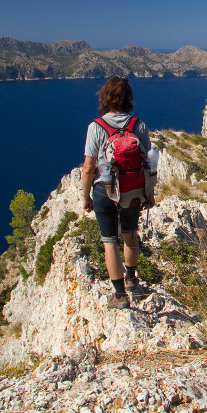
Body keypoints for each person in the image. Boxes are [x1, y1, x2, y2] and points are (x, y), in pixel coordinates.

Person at [82, 76, 155, 309]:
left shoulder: (96, 126)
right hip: (132, 190)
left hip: (104, 191)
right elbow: (150, 164)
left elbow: (88, 168)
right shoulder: (138, 124)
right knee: (130, 234)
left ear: (105, 97)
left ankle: (120, 296)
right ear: (128, 98)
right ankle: (133, 280)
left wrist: (85, 197)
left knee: (109, 242)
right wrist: (149, 194)